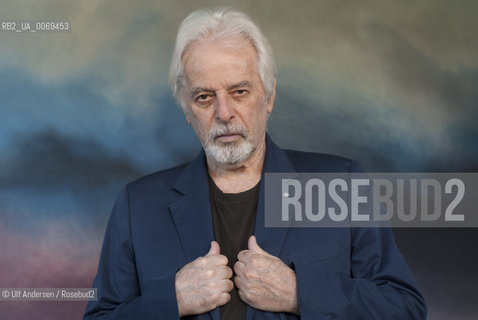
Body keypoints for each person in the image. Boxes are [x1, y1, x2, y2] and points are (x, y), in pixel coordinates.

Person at [83, 8, 427, 320]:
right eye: (204, 97)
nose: (224, 113)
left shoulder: (341, 184)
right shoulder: (137, 205)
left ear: (269, 96)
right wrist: (171, 300)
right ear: (187, 110)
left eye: (239, 92)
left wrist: (299, 293)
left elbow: (404, 309)